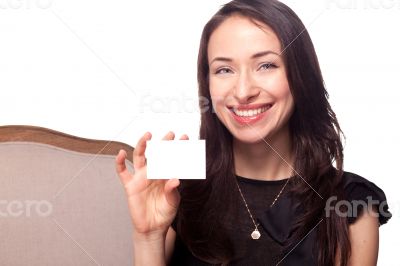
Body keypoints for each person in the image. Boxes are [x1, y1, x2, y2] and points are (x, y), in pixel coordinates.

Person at [115, 0, 391, 265]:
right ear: (207, 83)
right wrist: (148, 238)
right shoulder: (179, 187)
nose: (244, 91)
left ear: (300, 74)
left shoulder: (350, 202)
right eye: (224, 70)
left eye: (266, 65)